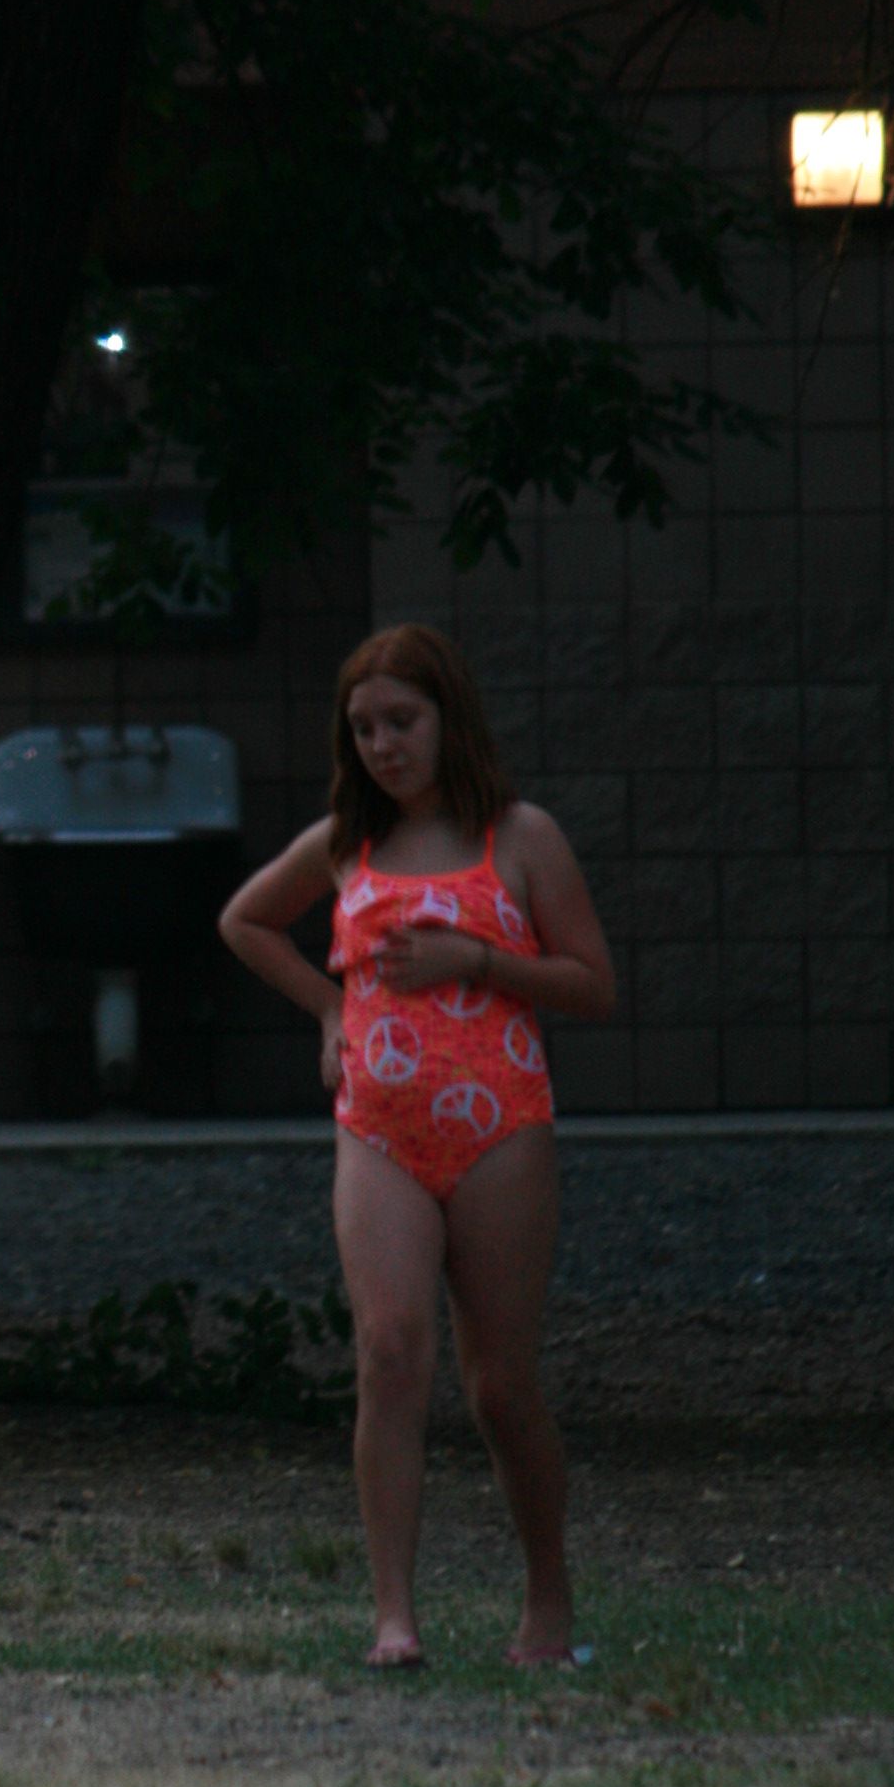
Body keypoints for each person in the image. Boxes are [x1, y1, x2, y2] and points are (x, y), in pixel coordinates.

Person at [219, 624, 615, 1671]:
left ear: (449, 719)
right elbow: (245, 922)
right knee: (390, 1353)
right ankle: (394, 1617)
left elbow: (593, 985)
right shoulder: (345, 841)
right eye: (364, 729)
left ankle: (547, 1599)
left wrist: (476, 959)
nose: (384, 745)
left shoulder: (520, 837)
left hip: (501, 1130)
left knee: (498, 1385)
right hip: (378, 1132)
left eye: (402, 721)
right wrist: (328, 1010)